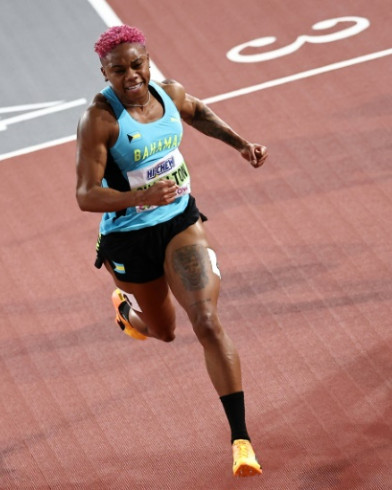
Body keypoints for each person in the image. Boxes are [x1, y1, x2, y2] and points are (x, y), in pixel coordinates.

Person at [75, 25, 268, 477]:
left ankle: (241, 441)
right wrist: (139, 197)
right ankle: (130, 316)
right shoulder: (100, 120)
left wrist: (241, 145)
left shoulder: (168, 93)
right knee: (165, 331)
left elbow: (197, 112)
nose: (131, 76)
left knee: (206, 320)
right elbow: (86, 194)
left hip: (180, 221)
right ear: (104, 71)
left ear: (147, 60)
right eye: (118, 70)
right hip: (128, 237)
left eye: (137, 65)